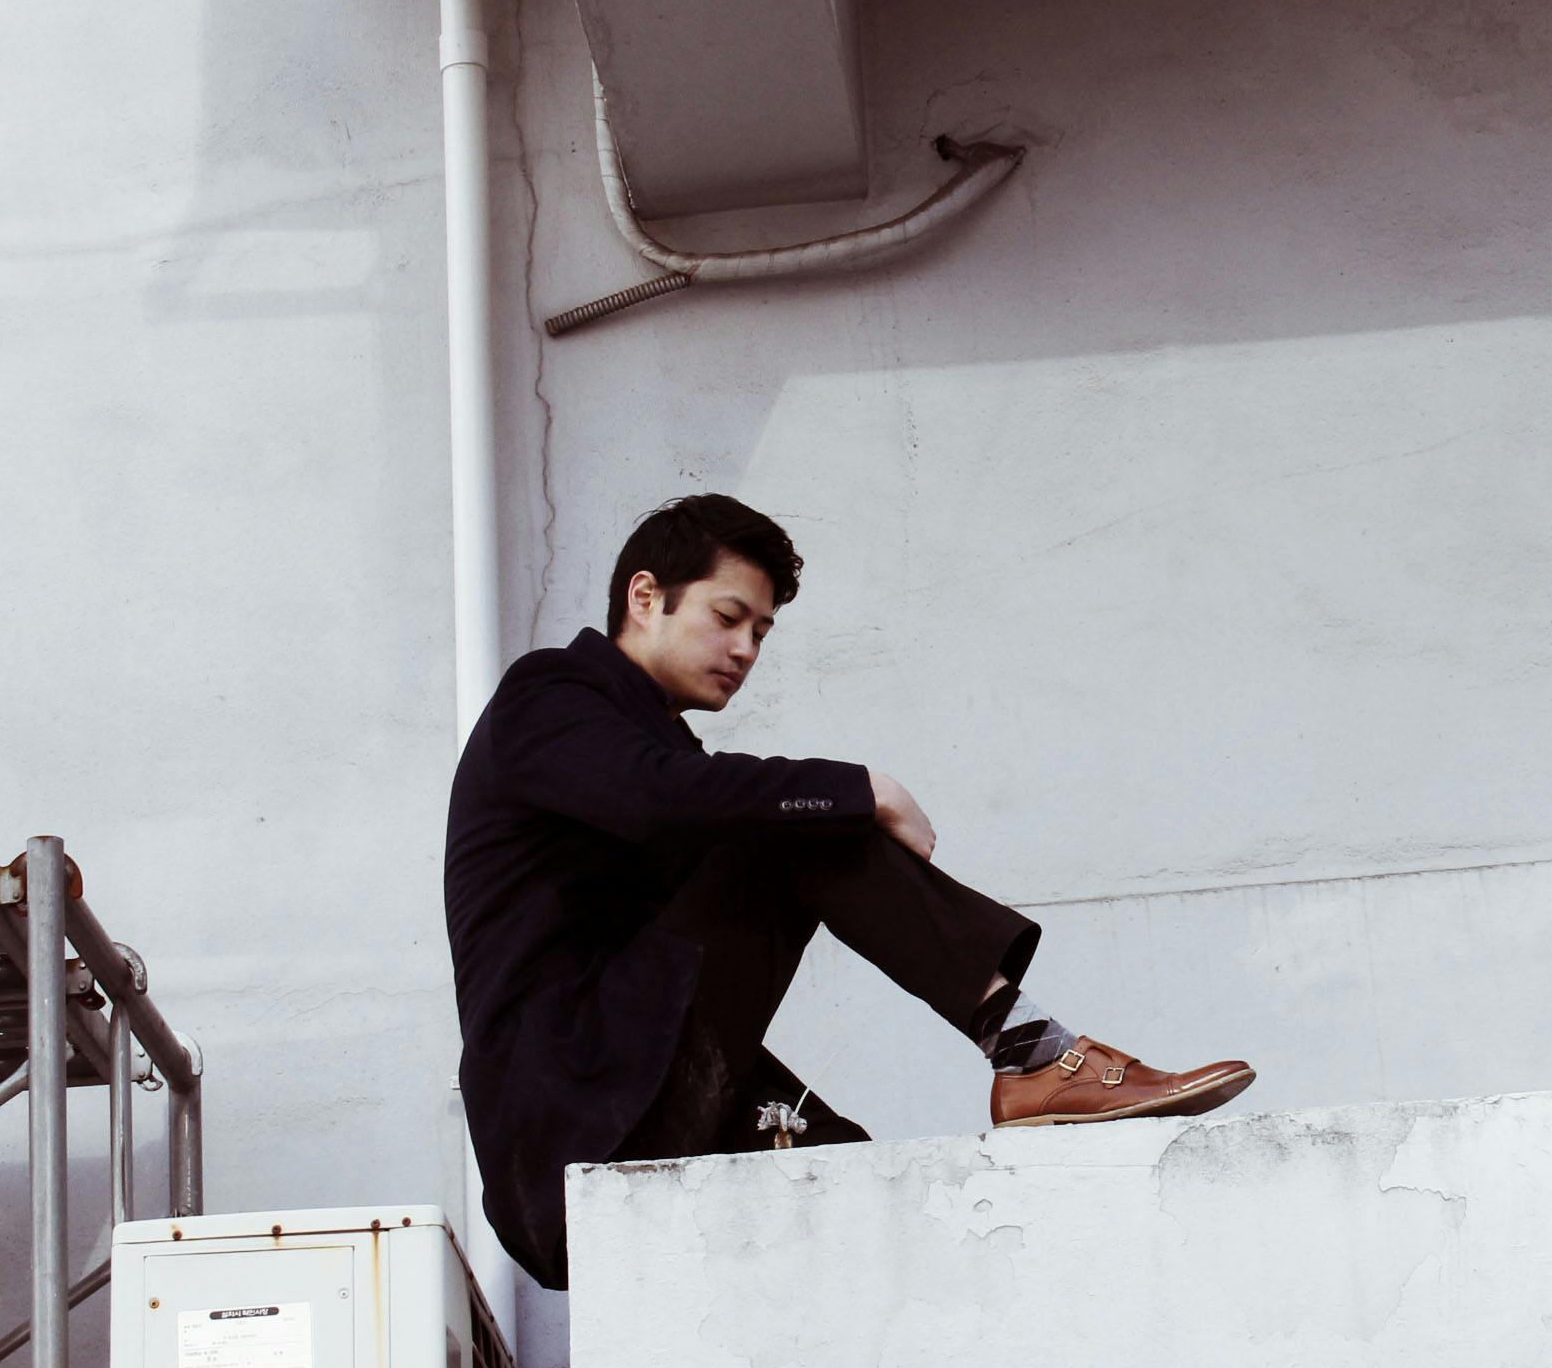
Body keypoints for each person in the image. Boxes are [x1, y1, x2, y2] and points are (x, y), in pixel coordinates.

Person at [445, 494, 1255, 1290]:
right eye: (728, 617)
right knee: (792, 819)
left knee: (854, 1188)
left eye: (761, 631)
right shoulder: (548, 697)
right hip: (567, 1123)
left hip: (639, 1090)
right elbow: (662, 793)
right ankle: (1035, 1055)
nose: (747, 649)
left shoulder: (655, 748)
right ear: (646, 596)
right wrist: (862, 789)